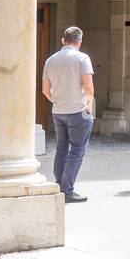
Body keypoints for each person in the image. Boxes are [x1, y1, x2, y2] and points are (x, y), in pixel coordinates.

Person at [41, 25, 94, 204]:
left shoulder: (50, 60)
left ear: (63, 40)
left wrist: (56, 100)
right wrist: (88, 105)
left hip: (58, 111)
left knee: (61, 148)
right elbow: (89, 87)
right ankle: (68, 189)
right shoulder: (82, 58)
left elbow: (45, 90)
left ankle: (59, 185)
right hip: (78, 110)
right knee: (77, 151)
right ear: (79, 41)